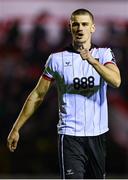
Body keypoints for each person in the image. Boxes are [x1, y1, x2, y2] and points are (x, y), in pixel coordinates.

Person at [7, 8, 121, 179]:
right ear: (69, 28)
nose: (80, 28)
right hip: (69, 137)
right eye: (75, 24)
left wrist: (93, 62)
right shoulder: (56, 59)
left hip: (97, 136)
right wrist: (16, 128)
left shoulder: (103, 54)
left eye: (84, 24)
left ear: (92, 28)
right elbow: (38, 95)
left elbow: (116, 81)